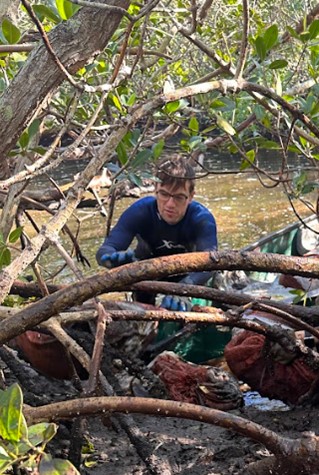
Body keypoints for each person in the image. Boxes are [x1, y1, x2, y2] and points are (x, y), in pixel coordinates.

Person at [96, 156, 218, 311]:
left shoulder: (202, 219)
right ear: (155, 190)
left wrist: (185, 287)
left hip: (187, 277)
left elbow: (211, 263)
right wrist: (111, 260)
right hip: (145, 274)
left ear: (191, 196)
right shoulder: (140, 211)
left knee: (181, 312)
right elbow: (106, 249)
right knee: (142, 314)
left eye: (179, 197)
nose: (170, 204)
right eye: (164, 194)